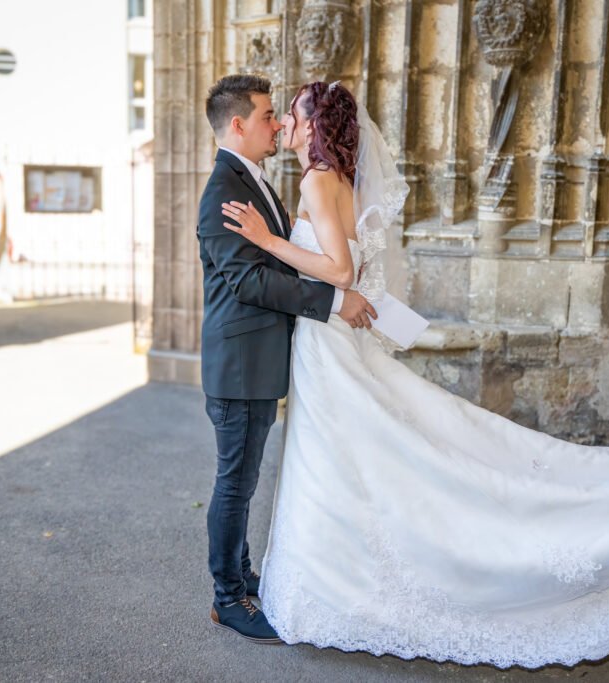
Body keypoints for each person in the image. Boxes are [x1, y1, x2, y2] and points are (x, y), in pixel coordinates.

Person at [219, 80, 609, 668]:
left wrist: (268, 242)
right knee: (347, 460)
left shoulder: (321, 180)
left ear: (317, 124)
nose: (285, 123)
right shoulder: (335, 178)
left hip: (329, 347)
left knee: (342, 460)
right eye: (279, 115)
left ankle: (328, 592)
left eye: (293, 112)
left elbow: (342, 272)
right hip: (330, 343)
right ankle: (325, 585)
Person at [196, 74, 378, 644]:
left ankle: (242, 571)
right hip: (239, 363)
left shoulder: (256, 180)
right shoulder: (223, 191)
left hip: (261, 357)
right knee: (235, 482)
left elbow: (284, 261)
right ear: (238, 125)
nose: (277, 124)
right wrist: (331, 301)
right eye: (269, 115)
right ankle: (229, 597)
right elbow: (251, 280)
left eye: (282, 115)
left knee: (243, 478)